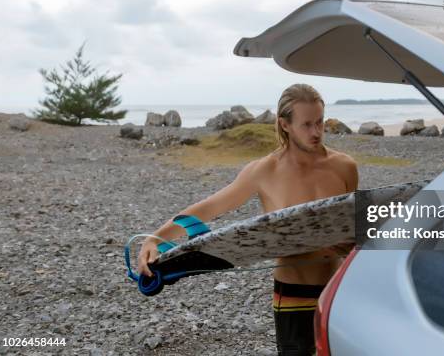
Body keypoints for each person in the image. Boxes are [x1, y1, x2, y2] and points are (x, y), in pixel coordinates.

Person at [138, 83, 358, 355]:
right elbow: (210, 207)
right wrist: (156, 238)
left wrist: (351, 245)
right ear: (285, 124)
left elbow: (356, 228)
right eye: (307, 124)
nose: (316, 132)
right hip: (293, 292)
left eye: (320, 122)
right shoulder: (265, 171)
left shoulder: (345, 166)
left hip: (337, 290)